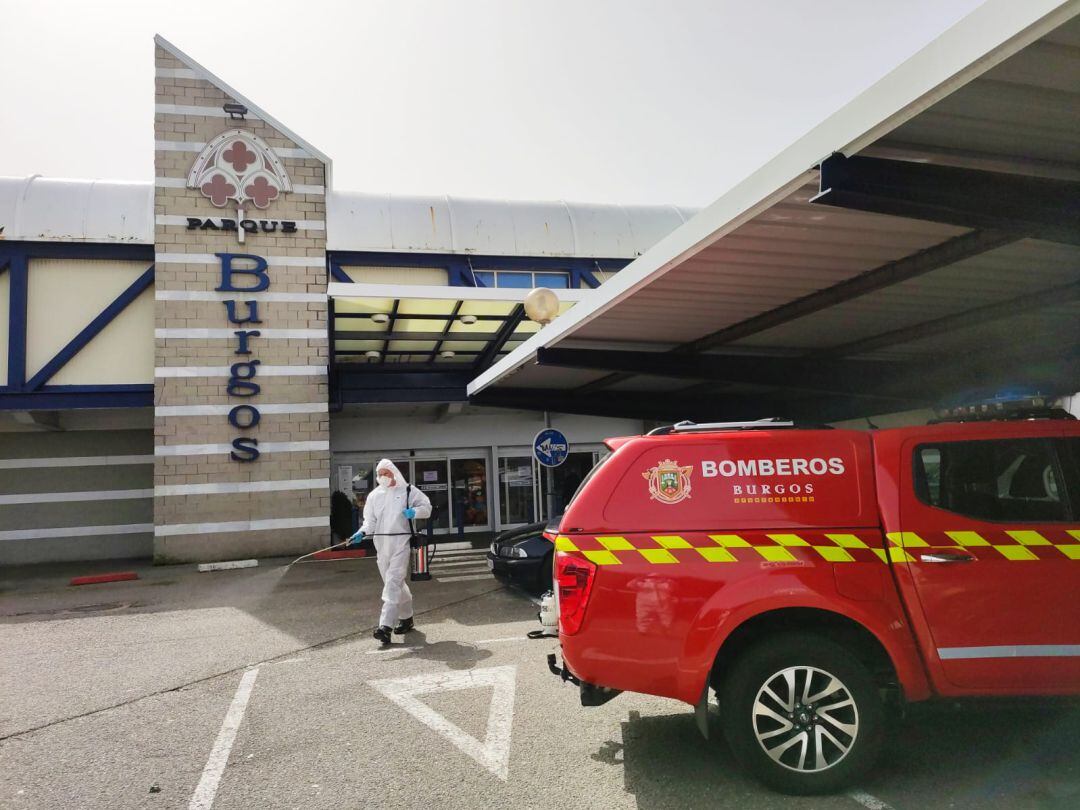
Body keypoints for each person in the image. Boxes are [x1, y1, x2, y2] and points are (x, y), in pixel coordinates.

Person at [349, 459, 432, 645]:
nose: (382, 477)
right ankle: (407, 618)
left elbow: (427, 507)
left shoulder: (408, 491)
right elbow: (369, 522)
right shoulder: (374, 496)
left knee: (393, 582)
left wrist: (415, 512)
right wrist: (361, 533)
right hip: (382, 546)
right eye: (379, 474)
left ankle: (384, 627)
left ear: (394, 473)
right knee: (395, 584)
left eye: (386, 473)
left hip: (401, 543)